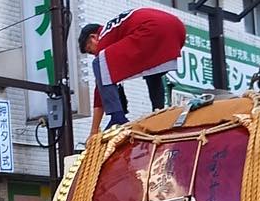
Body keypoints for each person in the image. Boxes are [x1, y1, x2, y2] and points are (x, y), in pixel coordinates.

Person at [78, 8, 187, 137]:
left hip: (153, 28)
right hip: (177, 28)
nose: (94, 54)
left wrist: (94, 131)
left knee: (99, 64)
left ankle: (117, 118)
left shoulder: (104, 36)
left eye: (90, 50)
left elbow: (100, 90)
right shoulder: (117, 28)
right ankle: (159, 112)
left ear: (93, 37)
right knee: (152, 72)